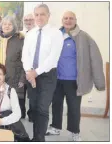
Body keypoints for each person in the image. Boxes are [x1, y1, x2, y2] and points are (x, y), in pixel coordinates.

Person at [46, 11, 106, 141]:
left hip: (74, 80)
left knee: (73, 107)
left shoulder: (84, 37)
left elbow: (95, 59)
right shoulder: (56, 35)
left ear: (75, 20)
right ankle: (55, 127)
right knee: (56, 104)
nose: (68, 20)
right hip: (56, 78)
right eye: (65, 18)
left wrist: (99, 82)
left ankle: (75, 131)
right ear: (62, 20)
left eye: (71, 18)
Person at [21, 4, 64, 142]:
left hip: (47, 75)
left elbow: (53, 57)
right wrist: (29, 72)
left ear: (48, 15)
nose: (39, 17)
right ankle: (35, 137)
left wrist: (36, 72)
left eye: (42, 14)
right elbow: (25, 55)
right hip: (31, 74)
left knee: (42, 108)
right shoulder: (31, 33)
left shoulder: (56, 33)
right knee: (33, 107)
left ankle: (39, 139)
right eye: (37, 14)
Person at [0, 15, 26, 120]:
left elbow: (24, 61)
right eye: (5, 24)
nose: (7, 26)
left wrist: (22, 78)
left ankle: (9, 129)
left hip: (12, 78)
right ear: (1, 25)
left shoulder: (20, 39)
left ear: (14, 26)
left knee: (9, 106)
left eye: (10, 24)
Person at [21, 13, 36, 122]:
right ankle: (21, 113)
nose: (28, 22)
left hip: (33, 69)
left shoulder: (38, 34)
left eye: (30, 19)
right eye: (26, 20)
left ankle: (32, 115)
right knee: (21, 92)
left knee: (32, 94)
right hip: (21, 69)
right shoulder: (20, 35)